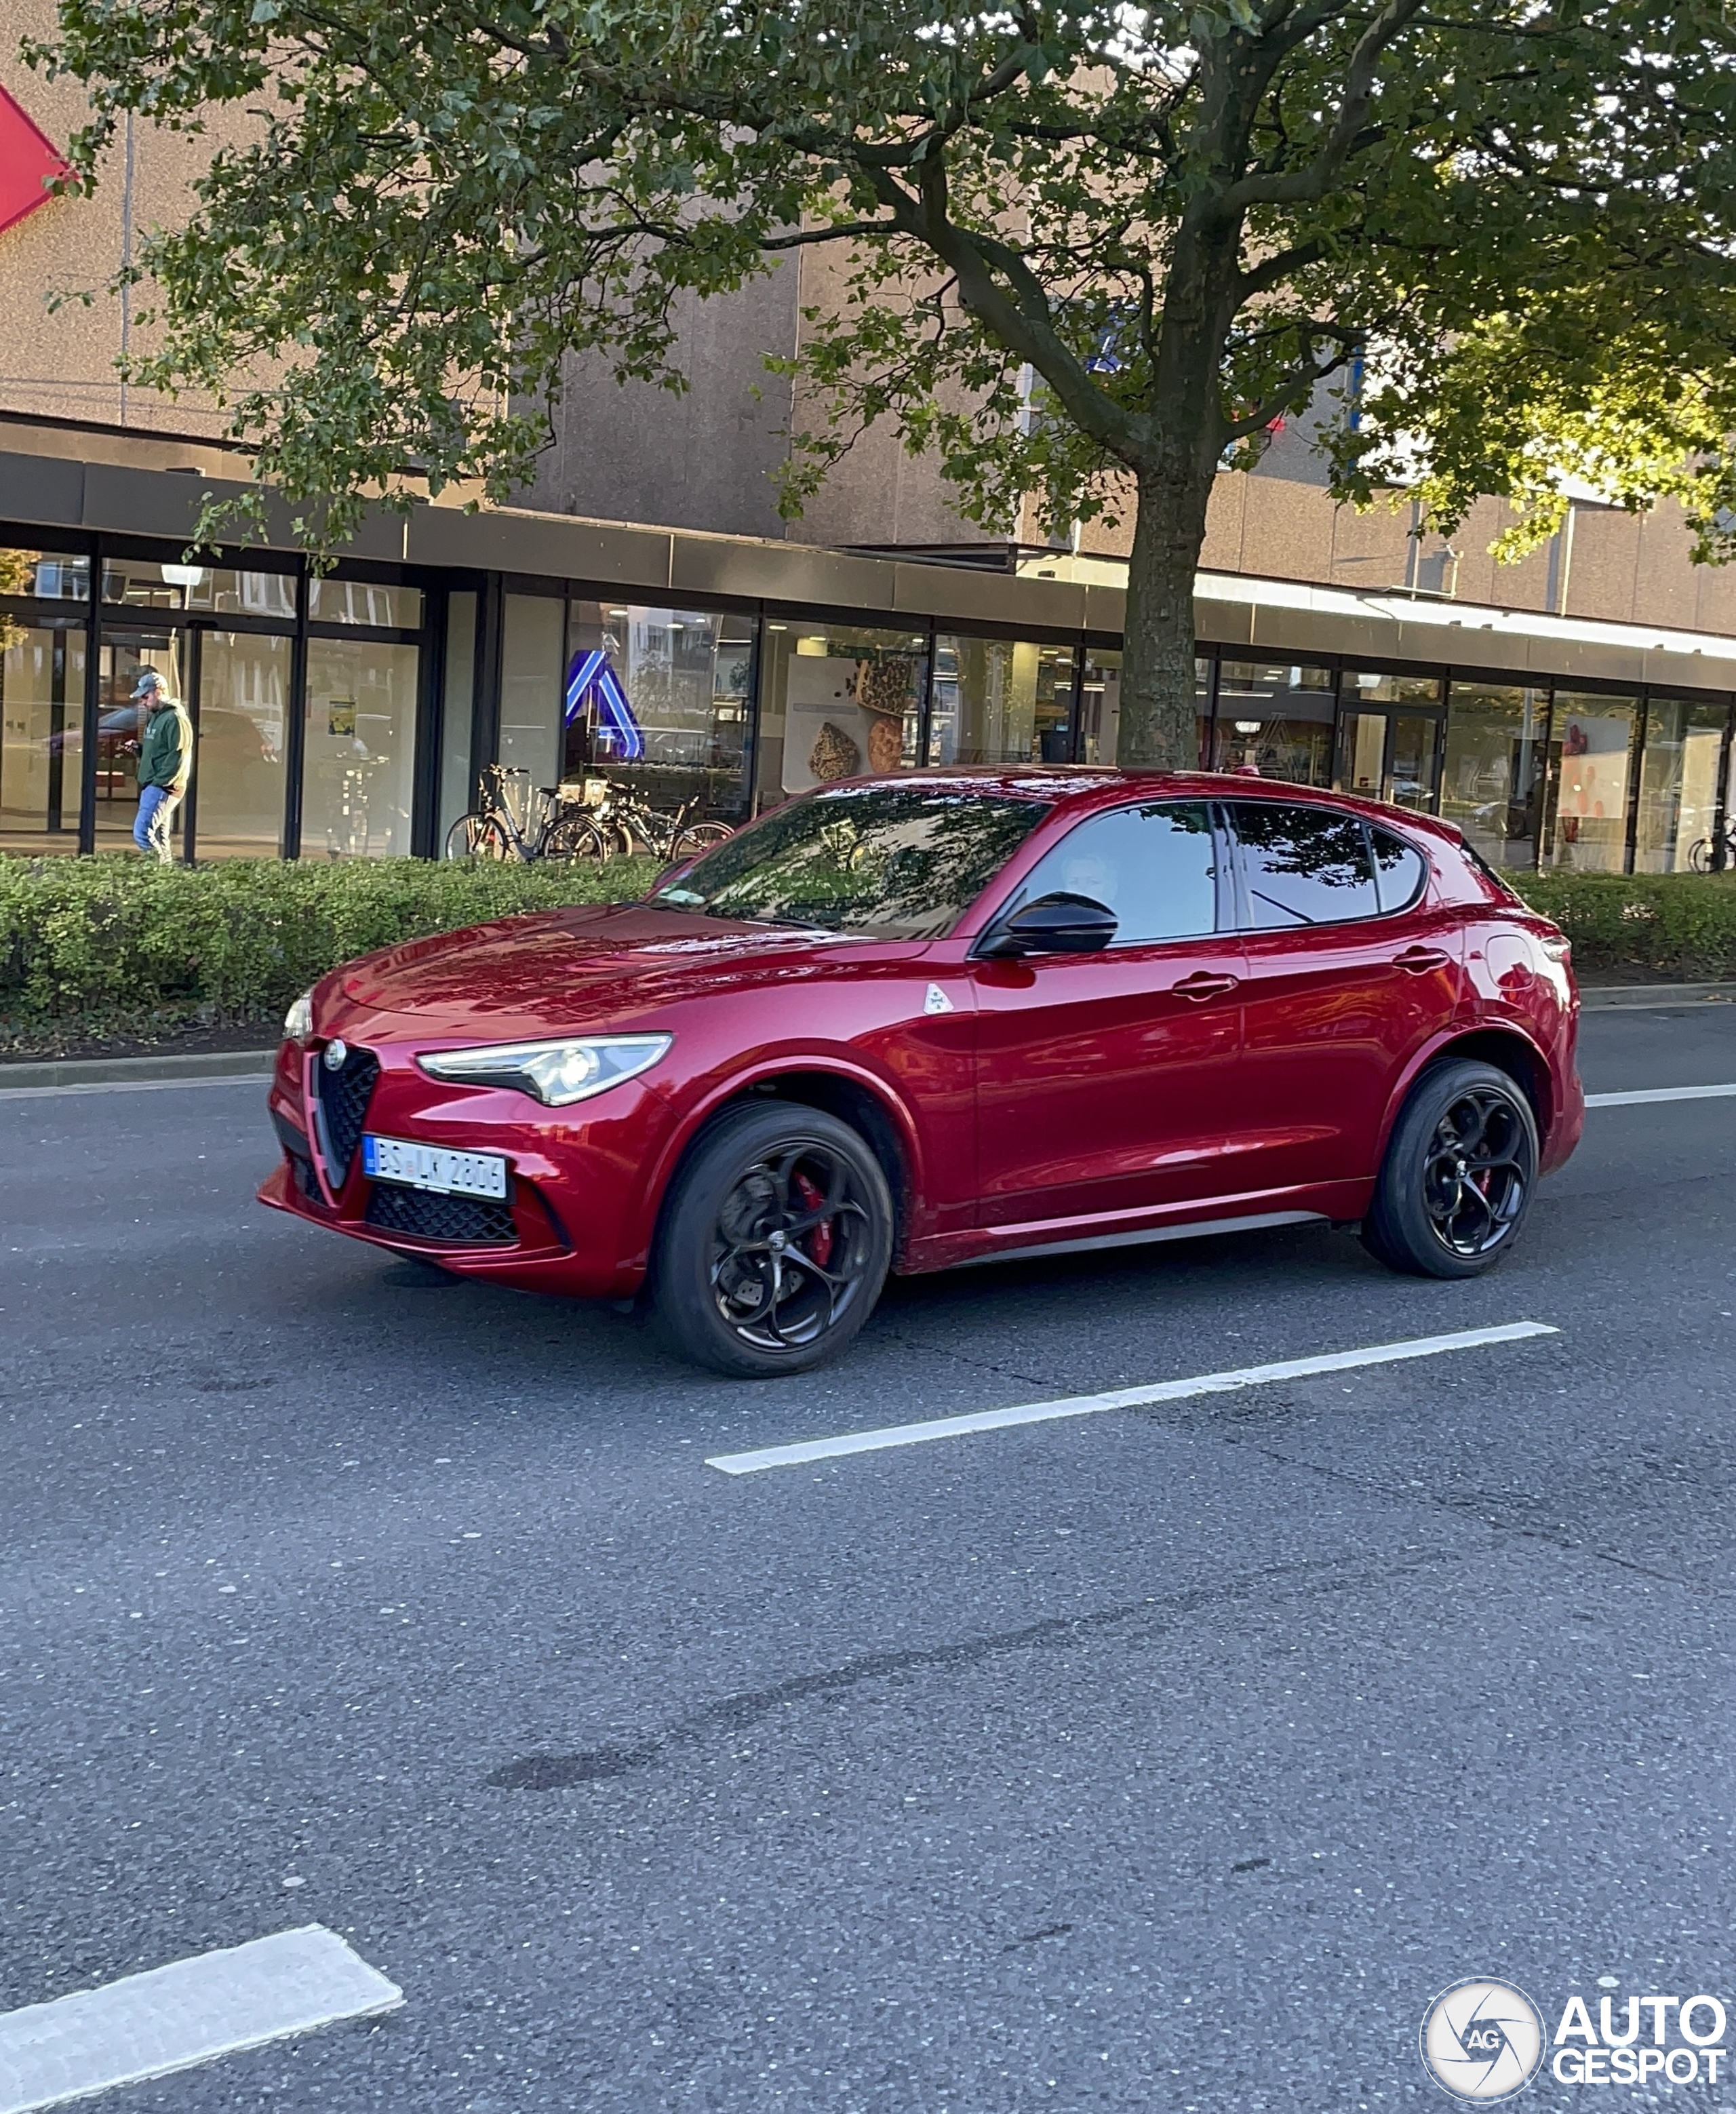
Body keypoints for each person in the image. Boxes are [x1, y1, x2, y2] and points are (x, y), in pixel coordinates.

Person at [130, 670, 193, 861]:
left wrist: (159, 782)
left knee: (142, 833)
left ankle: (157, 871)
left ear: (158, 692)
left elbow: (178, 755)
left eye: (145, 696)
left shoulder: (175, 718)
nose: (143, 701)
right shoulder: (156, 716)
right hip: (155, 784)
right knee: (159, 836)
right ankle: (166, 878)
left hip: (164, 786)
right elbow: (159, 751)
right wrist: (139, 749)